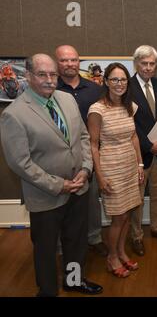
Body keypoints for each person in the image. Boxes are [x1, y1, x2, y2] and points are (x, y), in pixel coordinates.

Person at [0, 54, 102, 296]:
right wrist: (59, 184)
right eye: (42, 75)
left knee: (76, 242)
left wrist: (86, 170)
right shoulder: (14, 114)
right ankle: (47, 291)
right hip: (45, 195)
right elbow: (20, 163)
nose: (49, 80)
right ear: (28, 76)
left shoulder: (66, 99)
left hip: (79, 187)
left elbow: (84, 138)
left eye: (53, 74)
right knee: (45, 249)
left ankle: (74, 281)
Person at [88, 63, 144, 278]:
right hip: (110, 169)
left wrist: (140, 165)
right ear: (106, 81)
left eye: (123, 80)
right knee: (117, 218)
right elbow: (93, 145)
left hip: (130, 167)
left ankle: (121, 252)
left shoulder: (130, 106)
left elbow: (133, 136)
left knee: (128, 214)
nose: (119, 84)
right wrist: (100, 176)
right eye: (114, 79)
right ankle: (111, 257)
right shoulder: (97, 110)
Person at [55, 45, 108, 257]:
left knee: (91, 200)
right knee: (62, 202)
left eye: (74, 60)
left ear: (79, 62)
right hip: (61, 156)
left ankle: (94, 238)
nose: (69, 64)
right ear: (57, 63)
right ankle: (61, 244)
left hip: (91, 154)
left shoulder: (95, 89)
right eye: (64, 60)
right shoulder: (52, 90)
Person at [129, 45, 157, 257]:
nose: (148, 68)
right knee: (137, 198)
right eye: (144, 63)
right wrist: (149, 146)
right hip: (139, 155)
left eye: (152, 64)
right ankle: (136, 237)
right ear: (136, 64)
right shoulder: (126, 87)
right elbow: (129, 123)